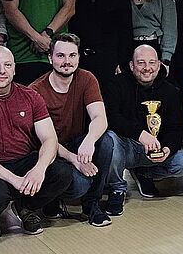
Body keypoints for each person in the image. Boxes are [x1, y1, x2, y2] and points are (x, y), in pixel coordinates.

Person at [0, 46, 73, 240]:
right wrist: (14, 180)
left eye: (7, 65)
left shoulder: (30, 96)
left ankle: (25, 207)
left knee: (62, 173)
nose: (2, 71)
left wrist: (39, 169)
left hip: (24, 160)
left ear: (14, 69)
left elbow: (50, 139)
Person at [30, 34, 119, 226]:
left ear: (78, 57)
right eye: (60, 55)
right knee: (80, 185)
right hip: (50, 150)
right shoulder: (36, 90)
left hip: (76, 142)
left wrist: (89, 140)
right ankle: (52, 197)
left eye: (72, 55)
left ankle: (92, 204)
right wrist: (73, 159)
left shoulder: (87, 78)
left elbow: (100, 117)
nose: (67, 61)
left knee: (106, 140)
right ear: (50, 58)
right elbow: (45, 140)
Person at [105, 44, 183, 200]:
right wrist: (140, 134)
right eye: (141, 63)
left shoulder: (171, 91)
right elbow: (111, 117)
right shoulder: (116, 85)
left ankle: (144, 173)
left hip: (155, 148)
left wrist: (168, 148)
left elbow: (176, 127)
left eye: (152, 63)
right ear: (131, 65)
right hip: (127, 147)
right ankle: (117, 188)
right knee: (110, 140)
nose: (147, 68)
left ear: (159, 65)